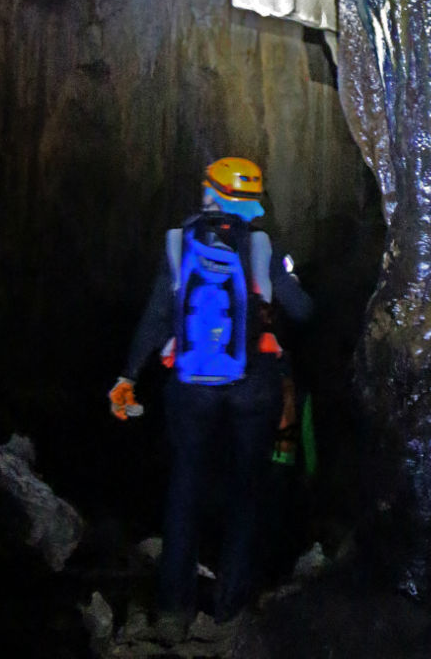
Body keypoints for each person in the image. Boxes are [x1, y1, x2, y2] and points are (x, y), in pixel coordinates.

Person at [108, 157, 313, 641]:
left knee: (185, 487)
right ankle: (230, 609)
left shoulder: (180, 243)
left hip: (191, 386)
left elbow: (158, 312)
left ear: (211, 194)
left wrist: (127, 375)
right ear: (251, 202)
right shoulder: (263, 245)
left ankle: (173, 610)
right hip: (253, 387)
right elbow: (302, 312)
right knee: (246, 491)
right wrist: (289, 276)